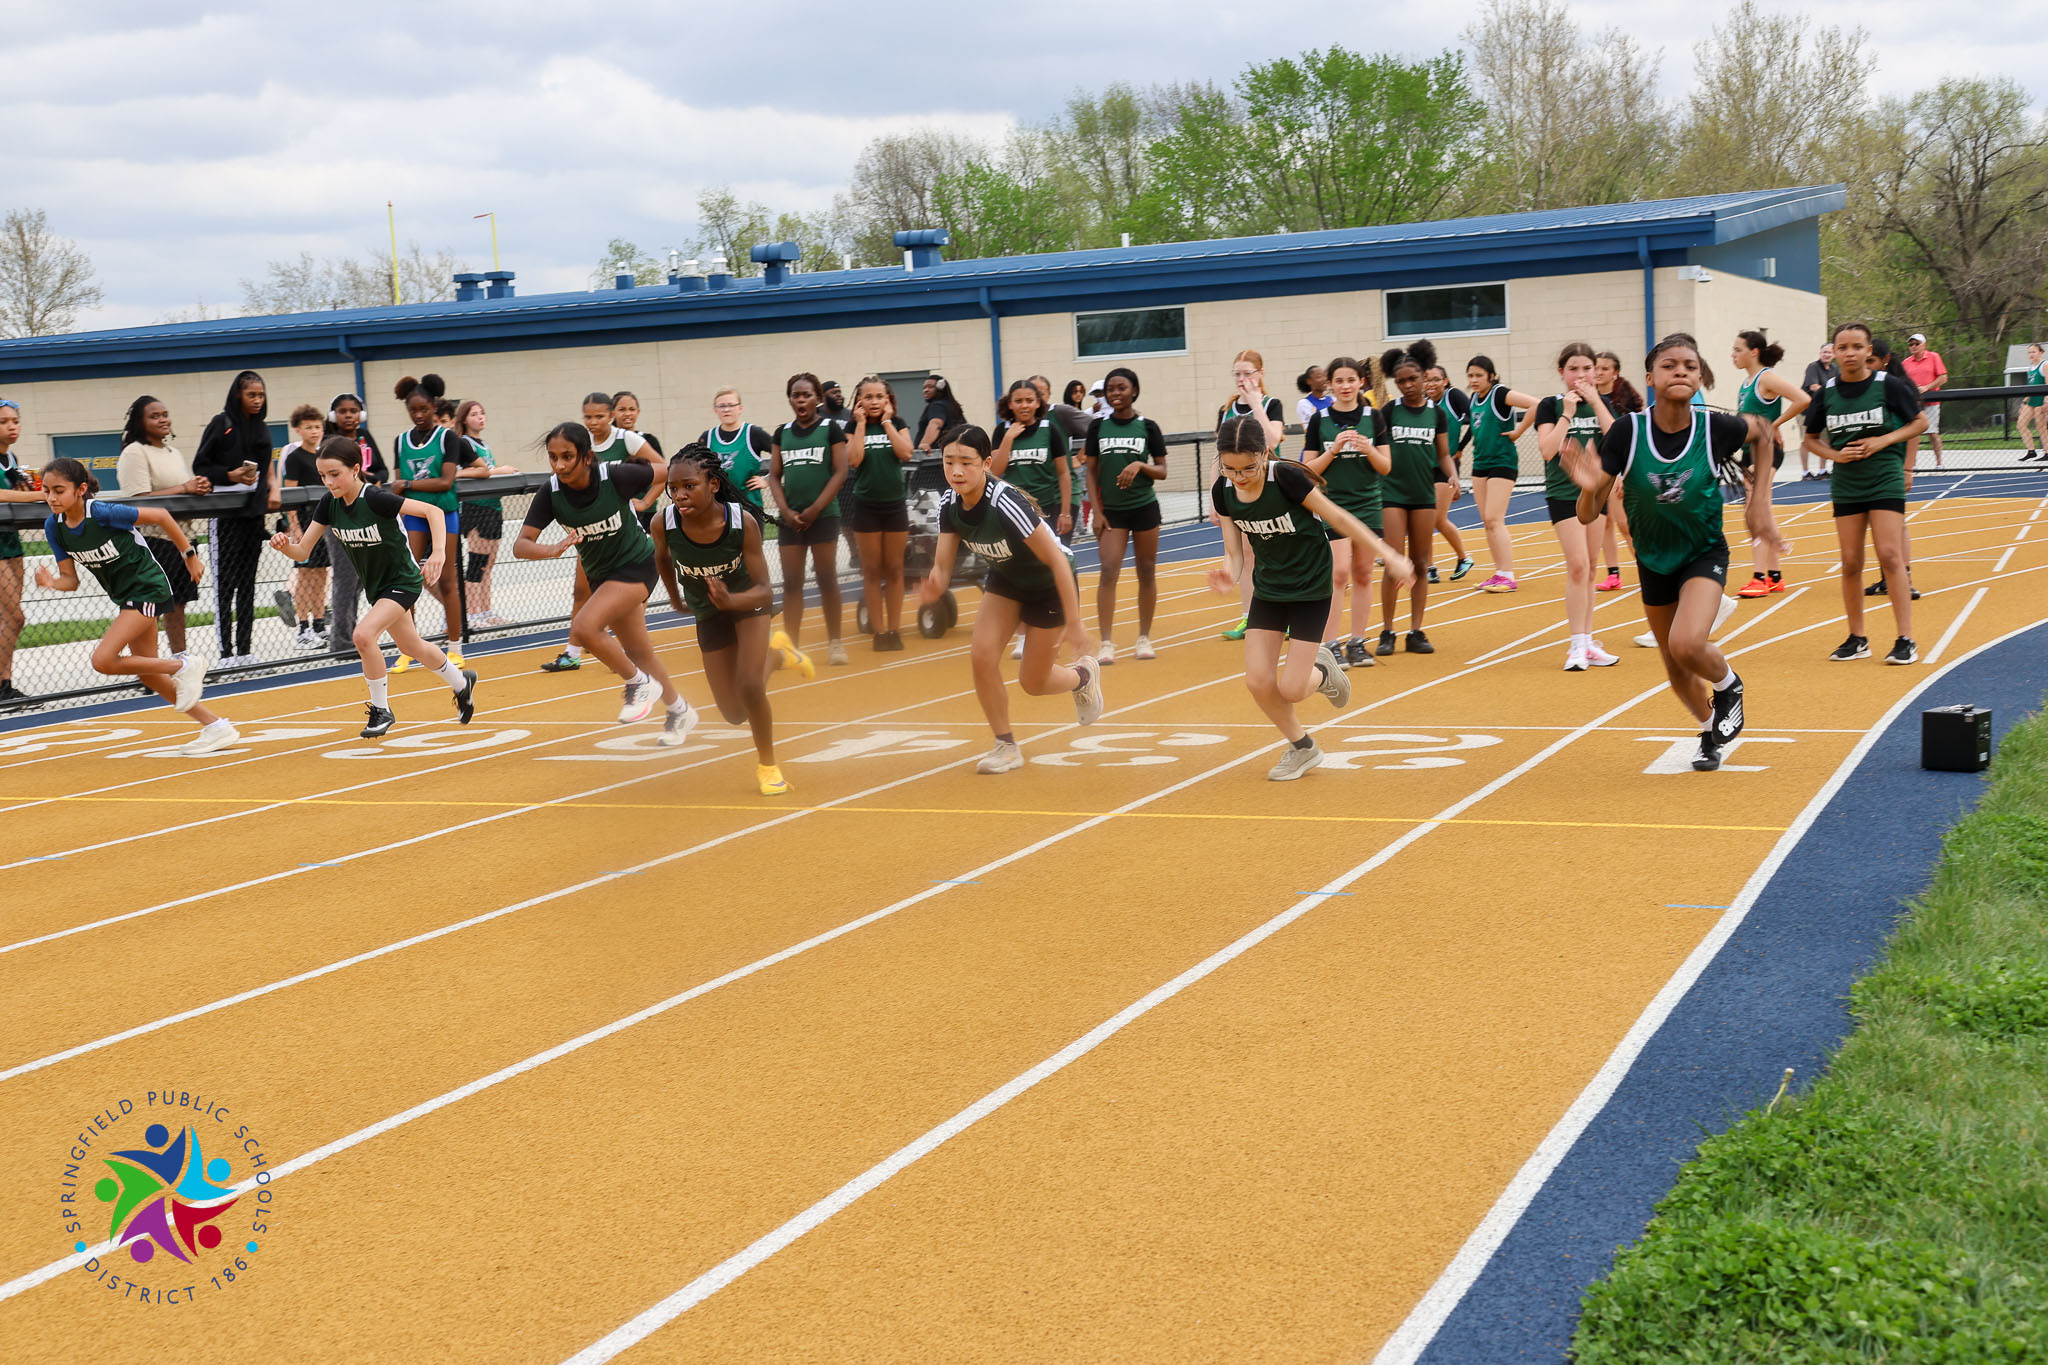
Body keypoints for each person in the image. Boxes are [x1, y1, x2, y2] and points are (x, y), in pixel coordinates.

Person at [1561, 335, 1780, 772]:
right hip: (1652, 557)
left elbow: (1766, 431)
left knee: (1686, 643)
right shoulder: (1627, 431)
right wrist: (1591, 489)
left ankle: (1729, 685)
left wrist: (1759, 505)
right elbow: (1587, 515)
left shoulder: (1716, 427)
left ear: (1699, 378)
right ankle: (1708, 729)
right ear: (1650, 377)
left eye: (1689, 366)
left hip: (1702, 552)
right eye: (1669, 365)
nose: (1679, 371)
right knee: (1676, 670)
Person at [1210, 413, 1413, 780]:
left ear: (1266, 452)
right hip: (1270, 589)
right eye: (1230, 469)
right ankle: (1303, 748)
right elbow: (1235, 551)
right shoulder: (1223, 492)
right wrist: (1229, 573)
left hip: (1310, 589)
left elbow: (1339, 517)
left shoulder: (1286, 477)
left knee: (1290, 689)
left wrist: (1392, 555)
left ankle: (1323, 670)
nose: (1239, 477)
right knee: (1257, 681)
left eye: (1248, 468)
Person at [919, 423, 1102, 774]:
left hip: (1049, 581)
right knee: (981, 655)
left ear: (987, 463)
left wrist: (1075, 624)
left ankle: (1082, 677)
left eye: (967, 462)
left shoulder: (1004, 502)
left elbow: (1059, 561)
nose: (956, 471)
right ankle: (1005, 745)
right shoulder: (948, 504)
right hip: (1007, 578)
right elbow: (941, 567)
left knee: (1033, 683)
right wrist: (934, 586)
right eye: (949, 462)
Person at [20, 458, 237, 753]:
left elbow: (161, 516)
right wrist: (50, 582)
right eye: (46, 491)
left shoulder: (104, 513)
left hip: (148, 588)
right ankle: (215, 727)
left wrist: (189, 554)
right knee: (148, 673)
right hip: (127, 597)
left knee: (103, 660)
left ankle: (185, 664)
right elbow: (70, 580)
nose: (51, 498)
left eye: (59, 490)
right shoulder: (54, 527)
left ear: (81, 489)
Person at [271, 436, 478, 737]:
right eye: (323, 476)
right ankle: (462, 683)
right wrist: (284, 546)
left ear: (355, 469)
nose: (328, 482)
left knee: (363, 635)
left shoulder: (376, 498)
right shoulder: (329, 504)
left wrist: (438, 554)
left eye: (334, 474)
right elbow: (302, 551)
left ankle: (381, 710)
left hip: (403, 580)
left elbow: (433, 512)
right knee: (412, 646)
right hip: (378, 588)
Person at [516, 421, 697, 734]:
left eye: (567, 456)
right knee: (640, 653)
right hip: (603, 575)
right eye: (553, 457)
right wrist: (553, 549)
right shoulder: (552, 492)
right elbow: (521, 545)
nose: (559, 464)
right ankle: (680, 710)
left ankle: (638, 684)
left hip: (638, 562)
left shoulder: (615, 475)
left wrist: (651, 501)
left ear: (587, 457)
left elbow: (669, 471)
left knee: (585, 627)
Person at [650, 445, 788, 794]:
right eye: (673, 487)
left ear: (712, 485)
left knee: (750, 686)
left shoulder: (742, 523)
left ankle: (768, 765)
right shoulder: (663, 523)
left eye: (689, 486)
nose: (679, 495)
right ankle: (779, 655)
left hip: (747, 604)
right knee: (732, 713)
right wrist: (675, 596)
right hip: (709, 611)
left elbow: (765, 591)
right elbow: (663, 560)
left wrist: (731, 599)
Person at [1802, 322, 1925, 664]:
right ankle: (1857, 638)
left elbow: (1919, 422)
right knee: (1851, 560)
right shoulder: (1825, 393)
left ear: (1869, 351)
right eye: (1843, 347)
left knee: (1889, 554)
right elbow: (1811, 439)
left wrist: (1884, 441)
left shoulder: (1889, 386)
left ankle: (1905, 638)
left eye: (1857, 346)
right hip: (1847, 482)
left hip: (1884, 475)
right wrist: (1835, 455)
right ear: (1835, 352)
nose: (1850, 353)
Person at [539, 391, 661, 672]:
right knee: (580, 590)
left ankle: (632, 651)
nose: (593, 422)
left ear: (611, 416)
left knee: (629, 596)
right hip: (587, 531)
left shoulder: (625, 440)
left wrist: (644, 501)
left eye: (600, 416)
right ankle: (572, 652)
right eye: (588, 417)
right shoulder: (576, 443)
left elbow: (663, 468)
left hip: (622, 530)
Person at [1532, 343, 1620, 671]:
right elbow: (1546, 450)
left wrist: (1597, 402)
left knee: (1593, 567)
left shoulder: (1604, 403)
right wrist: (1567, 414)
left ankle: (1589, 640)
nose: (1581, 375)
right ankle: (1576, 644)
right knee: (1578, 566)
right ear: (1562, 373)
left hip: (1597, 493)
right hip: (1564, 494)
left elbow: (1617, 442)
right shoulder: (1549, 406)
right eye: (1574, 369)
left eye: (1587, 369)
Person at [1299, 355, 1391, 667]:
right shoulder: (1319, 419)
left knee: (1364, 573)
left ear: (1361, 382)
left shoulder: (1374, 417)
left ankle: (1357, 642)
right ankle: (1330, 643)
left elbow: (1386, 466)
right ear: (1330, 384)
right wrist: (1333, 449)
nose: (1345, 386)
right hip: (1332, 505)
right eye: (1339, 381)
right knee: (1338, 574)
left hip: (1368, 505)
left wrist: (1369, 449)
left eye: (1351, 380)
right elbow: (1307, 470)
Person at [190, 369, 280, 668]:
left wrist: (272, 487)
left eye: (261, 395)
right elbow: (200, 465)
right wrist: (230, 475)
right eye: (251, 394)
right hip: (224, 517)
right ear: (238, 394)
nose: (257, 400)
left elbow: (267, 469)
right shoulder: (222, 423)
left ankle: (245, 650)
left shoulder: (263, 430)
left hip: (253, 517)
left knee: (248, 585)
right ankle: (226, 653)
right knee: (224, 586)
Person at [388, 375, 477, 673]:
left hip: (444, 513)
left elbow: (445, 481)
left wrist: (410, 483)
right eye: (413, 410)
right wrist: (402, 489)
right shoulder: (401, 440)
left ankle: (455, 647)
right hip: (413, 514)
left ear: (434, 406)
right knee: (409, 579)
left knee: (448, 580)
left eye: (424, 409)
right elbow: (396, 487)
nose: (418, 415)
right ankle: (408, 649)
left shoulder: (447, 438)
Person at [1374, 341, 1455, 656]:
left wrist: (1453, 475)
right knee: (1395, 563)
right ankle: (1387, 631)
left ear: (1425, 376)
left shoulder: (1437, 414)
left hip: (1424, 494)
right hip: (1392, 493)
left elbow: (1444, 454)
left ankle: (1416, 630)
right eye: (1401, 381)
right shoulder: (1389, 411)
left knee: (1421, 563)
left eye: (1413, 378)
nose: (1408, 385)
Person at [1084, 366, 1167, 664]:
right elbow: (1090, 472)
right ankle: (1106, 642)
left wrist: (1139, 466)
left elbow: (1162, 470)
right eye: (1111, 389)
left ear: (1133, 390)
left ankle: (1144, 638)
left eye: (1121, 388)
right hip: (1112, 513)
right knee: (1108, 570)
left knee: (1146, 570)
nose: (1115, 393)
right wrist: (1096, 511)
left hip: (1144, 507)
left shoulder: (1148, 426)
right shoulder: (1097, 427)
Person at [114, 394, 207, 657]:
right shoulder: (135, 452)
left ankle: (180, 660)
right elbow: (136, 502)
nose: (162, 419)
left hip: (182, 539)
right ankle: (147, 666)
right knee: (151, 608)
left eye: (165, 414)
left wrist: (196, 488)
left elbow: (179, 491)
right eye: (154, 416)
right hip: (153, 542)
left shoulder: (172, 452)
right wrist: (184, 488)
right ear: (140, 423)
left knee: (178, 605)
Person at [769, 372, 850, 666]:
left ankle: (835, 642)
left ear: (817, 398)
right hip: (791, 520)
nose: (801, 400)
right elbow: (774, 476)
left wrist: (815, 508)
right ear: (790, 399)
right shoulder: (782, 433)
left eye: (806, 395)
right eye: (795, 395)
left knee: (827, 579)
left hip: (823, 516)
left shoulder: (830, 429)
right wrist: (787, 511)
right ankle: (791, 646)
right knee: (792, 583)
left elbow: (840, 472)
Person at [1730, 329, 1812, 599]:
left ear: (1754, 352)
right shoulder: (1746, 383)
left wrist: (1773, 424)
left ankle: (1758, 578)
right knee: (1761, 509)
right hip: (1749, 453)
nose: (1733, 355)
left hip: (1765, 452)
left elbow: (1803, 399)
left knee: (1755, 512)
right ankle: (1775, 576)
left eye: (1738, 349)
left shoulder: (1767, 379)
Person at [1214, 350, 1288, 640]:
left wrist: (1256, 401)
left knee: (1278, 552)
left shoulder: (1272, 404)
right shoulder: (1227, 409)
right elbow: (1218, 454)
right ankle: (1250, 616)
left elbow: (1272, 440)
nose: (1242, 379)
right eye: (1237, 374)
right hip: (1238, 487)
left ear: (1260, 373)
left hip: (1272, 485)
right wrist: (1213, 498)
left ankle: (1289, 614)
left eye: (1247, 373)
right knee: (1245, 553)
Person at [844, 375, 915, 650]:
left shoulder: (897, 424)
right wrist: (861, 424)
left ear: (887, 399)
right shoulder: (853, 426)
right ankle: (879, 632)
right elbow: (854, 459)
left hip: (895, 505)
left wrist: (886, 422)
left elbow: (906, 453)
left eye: (878, 397)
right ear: (859, 400)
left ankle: (895, 629)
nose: (873, 402)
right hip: (866, 507)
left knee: (895, 569)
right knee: (872, 571)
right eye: (868, 397)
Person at [1465, 357, 1539, 593]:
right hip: (1480, 463)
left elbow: (1537, 404)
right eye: (1470, 375)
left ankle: (1508, 574)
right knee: (1487, 522)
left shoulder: (1499, 394)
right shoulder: (1474, 399)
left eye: (1478, 375)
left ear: (1491, 375)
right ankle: (1499, 573)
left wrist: (1519, 431)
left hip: (1502, 462)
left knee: (1494, 518)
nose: (1473, 380)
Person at [321, 392, 387, 646]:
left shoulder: (364, 438)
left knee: (360, 578)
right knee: (345, 577)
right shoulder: (329, 442)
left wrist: (373, 477)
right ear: (333, 415)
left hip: (364, 513)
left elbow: (380, 468)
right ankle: (340, 639)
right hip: (340, 515)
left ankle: (352, 632)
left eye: (353, 411)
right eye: (343, 411)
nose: (348, 415)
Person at [270, 404, 330, 648]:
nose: (314, 431)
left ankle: (319, 624)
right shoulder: (295, 458)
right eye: (308, 427)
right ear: (298, 430)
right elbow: (290, 495)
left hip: (323, 521)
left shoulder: (324, 454)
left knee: (322, 575)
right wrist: (294, 526)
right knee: (305, 576)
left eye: (317, 427)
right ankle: (303, 628)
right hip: (304, 523)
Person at [454, 399, 516, 629]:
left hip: (493, 508)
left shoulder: (484, 445)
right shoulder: (463, 443)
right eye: (474, 414)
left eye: (482, 413)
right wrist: (500, 471)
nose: (480, 417)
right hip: (475, 508)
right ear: (464, 419)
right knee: (476, 563)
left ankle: (486, 610)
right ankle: (472, 614)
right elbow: (467, 473)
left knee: (488, 564)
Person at [1592, 352, 1644, 590]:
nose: (1599, 372)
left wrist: (1623, 473)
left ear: (1615, 373)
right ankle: (1613, 574)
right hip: (1598, 469)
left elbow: (1629, 439)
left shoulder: (1621, 403)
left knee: (1626, 524)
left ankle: (1648, 569)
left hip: (1620, 469)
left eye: (1604, 368)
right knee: (1605, 523)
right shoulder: (1588, 398)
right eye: (1597, 368)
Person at [1421, 361, 1475, 584]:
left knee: (1437, 519)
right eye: (1427, 379)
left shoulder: (1453, 397)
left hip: (1446, 466)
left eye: (1435, 379)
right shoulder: (1423, 403)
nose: (1430, 384)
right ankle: (1430, 567)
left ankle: (1464, 558)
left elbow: (1475, 420)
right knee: (1425, 519)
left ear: (1444, 381)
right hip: (1425, 467)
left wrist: (1460, 448)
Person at [702, 388, 778, 524]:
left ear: (740, 408)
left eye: (731, 405)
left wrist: (768, 479)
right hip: (719, 508)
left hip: (750, 507)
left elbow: (782, 454)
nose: (726, 410)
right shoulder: (707, 438)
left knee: (752, 545)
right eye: (722, 406)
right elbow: (696, 469)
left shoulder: (753, 433)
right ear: (715, 410)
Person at [0, 399, 29, 704]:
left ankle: (5, 683)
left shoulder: (12, 458)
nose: (11, 426)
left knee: (7, 619)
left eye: (15, 421)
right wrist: (38, 495)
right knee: (15, 617)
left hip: (11, 541)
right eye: (3, 421)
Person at [1901, 334, 1948, 470]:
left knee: (1932, 432)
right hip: (1914, 402)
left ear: (1924, 345)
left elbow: (1943, 377)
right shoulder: (1906, 363)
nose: (1914, 347)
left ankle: (1939, 463)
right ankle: (1912, 464)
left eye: (1917, 344)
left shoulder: (1934, 357)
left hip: (1931, 401)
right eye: (1911, 344)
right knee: (1913, 433)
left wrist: (1927, 387)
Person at [1798, 343, 1837, 479]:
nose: (1826, 355)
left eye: (1829, 352)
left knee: (1826, 439)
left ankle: (1822, 470)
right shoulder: (1813, 367)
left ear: (1834, 354)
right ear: (1820, 353)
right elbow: (1814, 386)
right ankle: (1805, 472)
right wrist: (1833, 393)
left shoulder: (1835, 369)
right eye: (1824, 352)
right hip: (1806, 410)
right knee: (1806, 441)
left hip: (1824, 410)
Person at [913, 374, 966, 454]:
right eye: (924, 387)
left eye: (930, 387)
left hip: (935, 457)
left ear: (940, 388)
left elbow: (936, 424)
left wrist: (925, 443)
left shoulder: (937, 406)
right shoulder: (952, 406)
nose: (925, 390)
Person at [610, 390, 663, 458]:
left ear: (638, 411)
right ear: (612, 413)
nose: (627, 414)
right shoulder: (605, 442)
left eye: (632, 409)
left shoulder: (650, 440)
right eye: (622, 409)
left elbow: (662, 467)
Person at [2019, 342, 2047, 461]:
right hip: (2031, 400)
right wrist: (2024, 402)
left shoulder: (2044, 365)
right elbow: (2030, 386)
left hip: (2041, 400)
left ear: (2040, 352)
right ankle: (2031, 451)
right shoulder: (2030, 367)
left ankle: (2047, 452)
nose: (2031, 354)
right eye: (2029, 352)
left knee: (2041, 427)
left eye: (2033, 352)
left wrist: (2047, 400)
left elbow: (2047, 383)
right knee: (2021, 425)